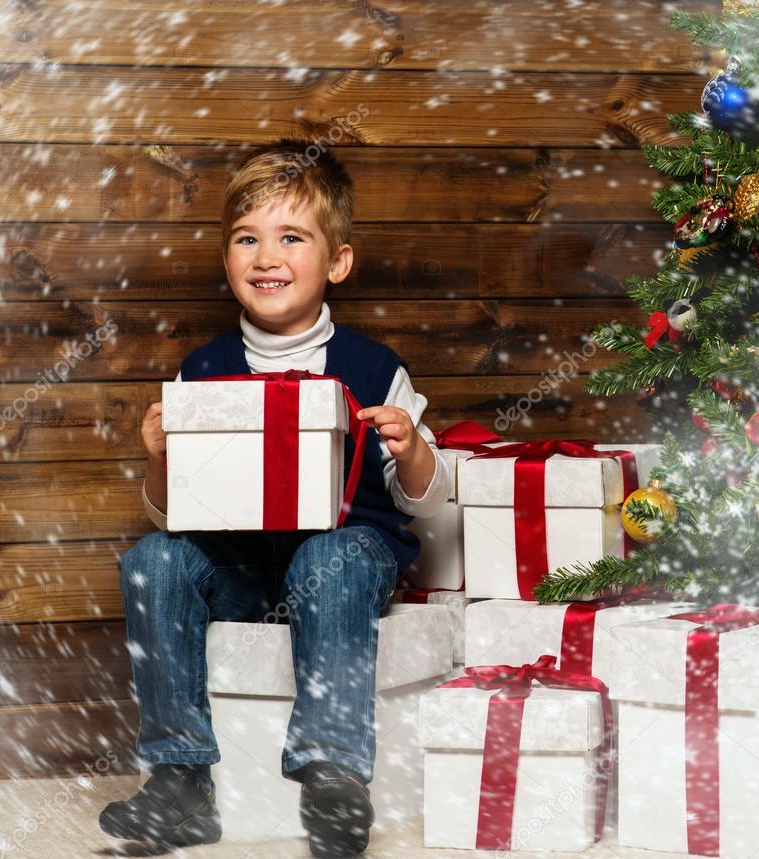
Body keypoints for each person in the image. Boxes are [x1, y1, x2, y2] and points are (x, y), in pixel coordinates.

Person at [98, 138, 450, 858]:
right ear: (226, 260)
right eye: (247, 239)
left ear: (337, 261)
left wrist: (411, 448)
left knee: (339, 550)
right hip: (241, 570)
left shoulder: (376, 368)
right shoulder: (202, 370)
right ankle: (179, 777)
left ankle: (332, 771)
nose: (266, 257)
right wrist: (162, 457)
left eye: (292, 237)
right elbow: (173, 515)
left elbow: (426, 504)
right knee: (151, 559)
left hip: (340, 565)